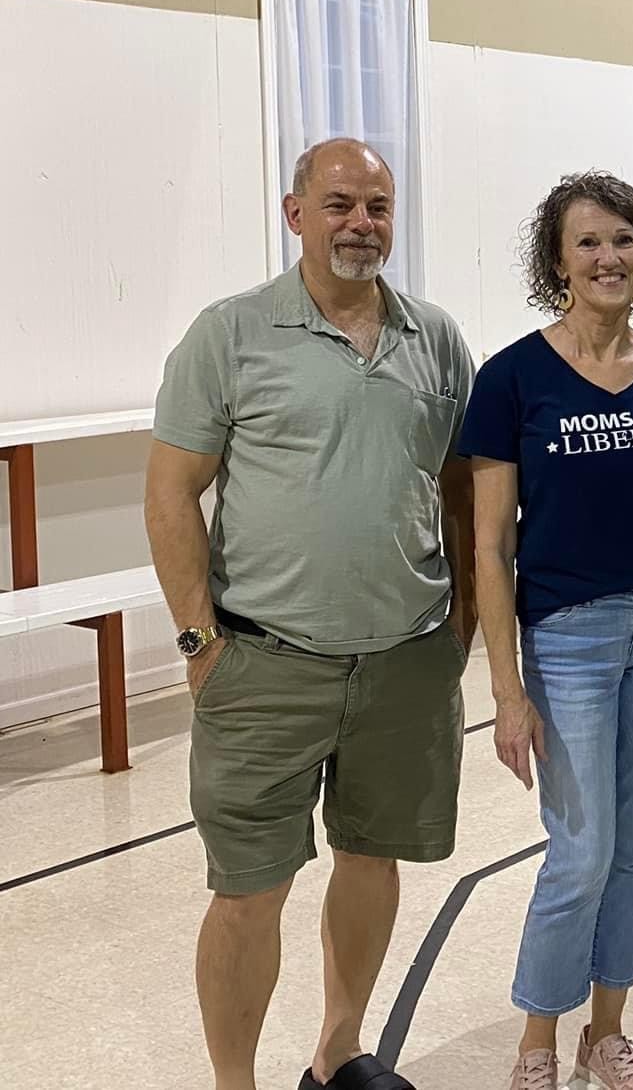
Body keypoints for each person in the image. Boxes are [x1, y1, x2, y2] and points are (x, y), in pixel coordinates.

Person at [143, 137, 475, 1090]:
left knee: (373, 860)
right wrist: (200, 641)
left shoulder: (435, 338)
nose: (360, 224)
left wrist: (461, 629)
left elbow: (461, 491)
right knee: (249, 889)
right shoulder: (231, 334)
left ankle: (339, 1051)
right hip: (264, 664)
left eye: (377, 206)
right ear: (295, 215)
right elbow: (171, 494)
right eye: (338, 205)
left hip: (406, 663)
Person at [461, 172, 633, 1090]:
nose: (608, 257)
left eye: (623, 239)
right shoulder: (512, 379)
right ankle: (536, 1043)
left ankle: (608, 1034)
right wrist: (506, 689)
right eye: (588, 242)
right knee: (581, 849)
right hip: (567, 639)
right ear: (557, 261)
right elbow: (489, 546)